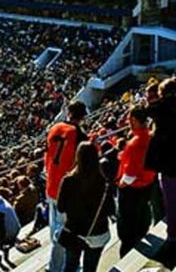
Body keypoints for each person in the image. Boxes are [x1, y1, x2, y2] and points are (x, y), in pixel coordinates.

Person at [44, 101, 88, 272]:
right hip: (66, 190)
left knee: (54, 226)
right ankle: (55, 268)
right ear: (83, 116)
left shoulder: (54, 128)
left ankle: (58, 265)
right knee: (61, 231)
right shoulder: (80, 135)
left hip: (51, 184)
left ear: (68, 112)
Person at [56, 141, 114, 272]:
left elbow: (60, 207)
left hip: (74, 232)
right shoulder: (104, 183)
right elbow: (111, 210)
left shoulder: (68, 180)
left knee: (70, 266)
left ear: (78, 157)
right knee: (90, 268)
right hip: (98, 233)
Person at [140, 77, 176, 265]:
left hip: (170, 166)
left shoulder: (163, 109)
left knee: (170, 201)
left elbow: (144, 110)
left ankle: (172, 239)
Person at [116, 107, 156, 257]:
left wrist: (121, 184)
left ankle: (127, 253)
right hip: (148, 183)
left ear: (133, 120)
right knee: (143, 212)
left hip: (132, 189)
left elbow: (130, 174)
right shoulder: (151, 136)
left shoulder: (135, 143)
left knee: (127, 223)